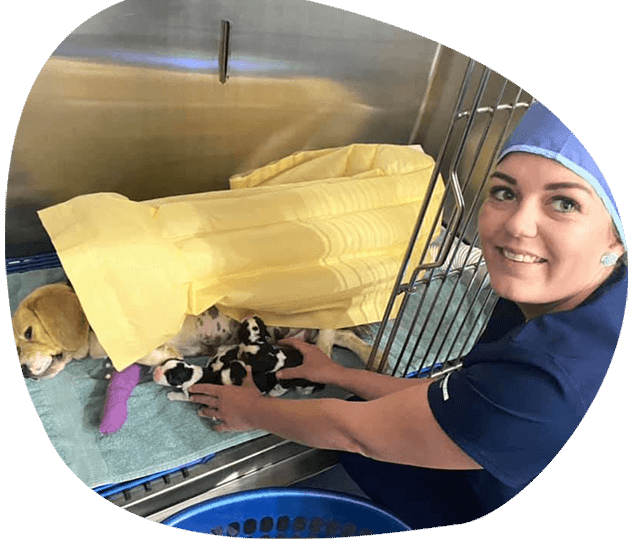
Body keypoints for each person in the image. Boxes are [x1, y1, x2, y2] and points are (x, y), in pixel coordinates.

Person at [188, 103, 627, 529]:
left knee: (360, 441)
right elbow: (466, 398)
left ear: (615, 239)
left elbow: (355, 433)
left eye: (564, 203)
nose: (517, 226)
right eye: (505, 192)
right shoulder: (574, 295)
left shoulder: (550, 381)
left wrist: (252, 410)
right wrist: (338, 374)